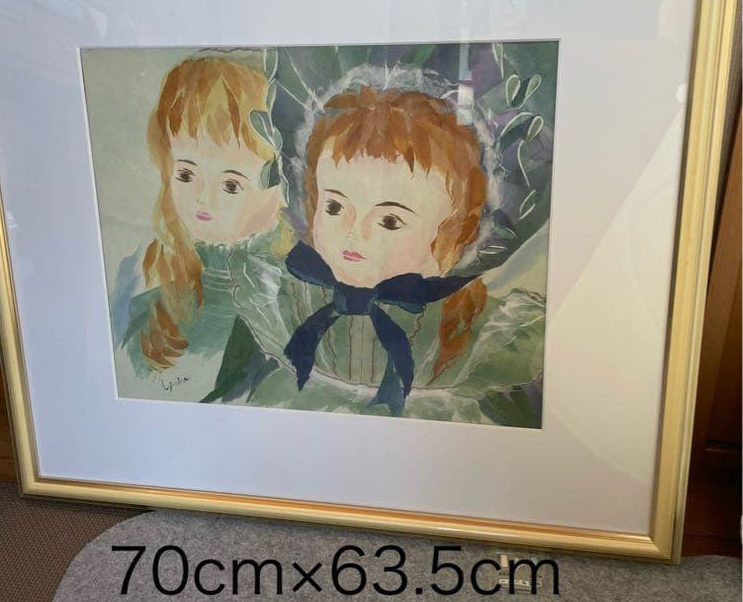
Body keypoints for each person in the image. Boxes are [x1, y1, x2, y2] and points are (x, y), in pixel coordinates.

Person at [227, 84, 546, 424]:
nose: (353, 232)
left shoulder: (482, 333)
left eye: (389, 221)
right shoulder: (282, 299)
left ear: (457, 233)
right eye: (334, 207)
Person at [109, 55, 288, 401]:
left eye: (231, 185)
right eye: (186, 174)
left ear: (283, 186)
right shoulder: (144, 314)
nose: (202, 199)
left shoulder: (294, 315)